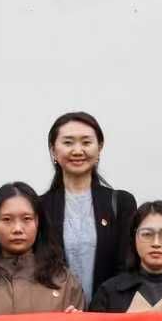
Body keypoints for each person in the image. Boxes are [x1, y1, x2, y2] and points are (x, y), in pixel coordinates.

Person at [37, 112, 137, 305]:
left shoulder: (121, 203)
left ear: (99, 148)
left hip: (108, 313)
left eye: (86, 142)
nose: (77, 150)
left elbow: (127, 267)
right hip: (57, 314)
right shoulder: (40, 206)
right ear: (53, 150)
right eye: (68, 143)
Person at [0, 182, 85, 315]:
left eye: (26, 219)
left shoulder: (64, 281)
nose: (17, 229)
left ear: (38, 222)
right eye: (7, 219)